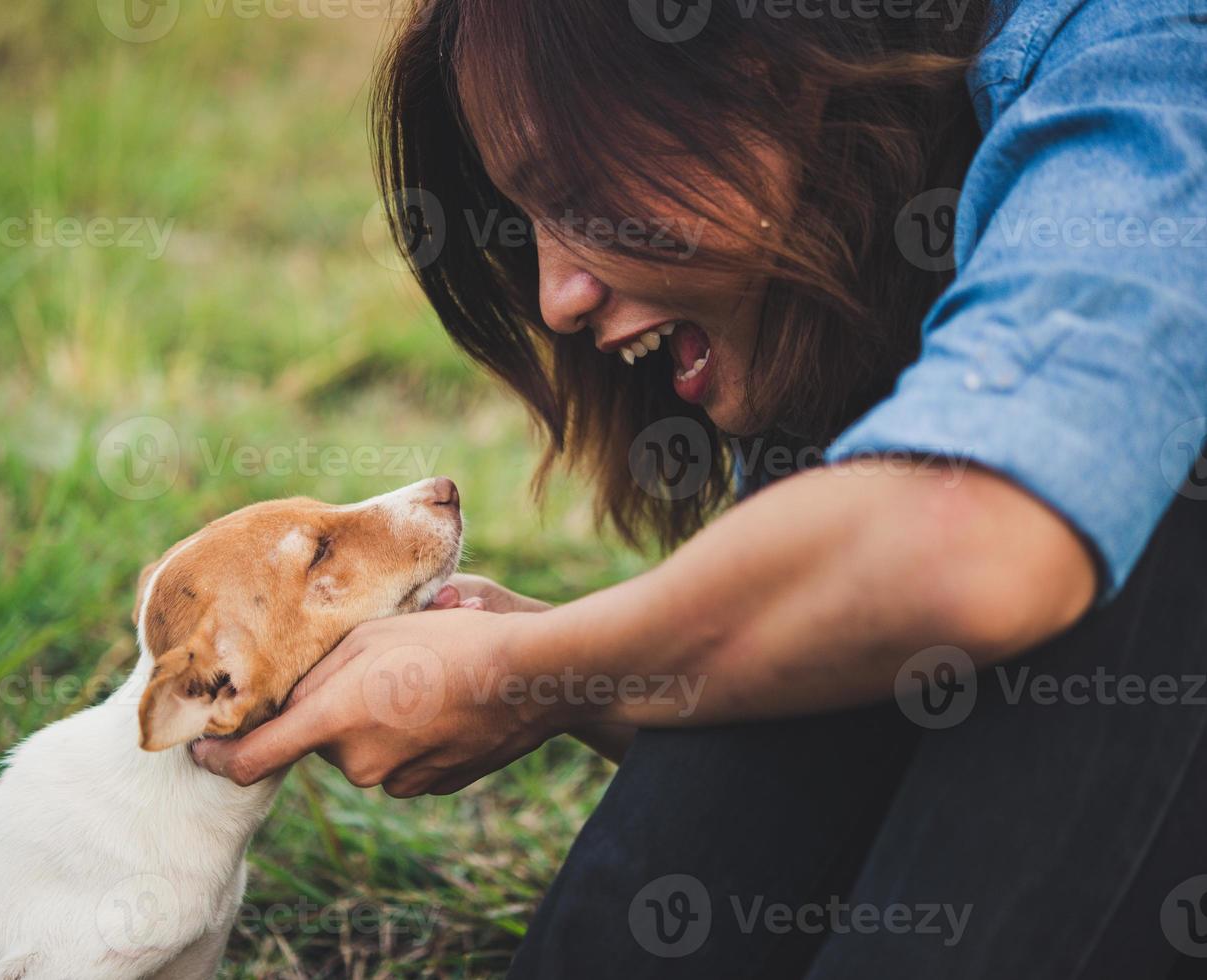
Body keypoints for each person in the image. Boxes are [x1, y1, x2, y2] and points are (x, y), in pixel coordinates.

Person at [193, 0, 1207, 974]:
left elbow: (971, 548)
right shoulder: (850, 273)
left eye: (573, 192)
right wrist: (567, 672)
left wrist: (527, 670)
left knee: (1099, 483)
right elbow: (882, 727)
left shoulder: (1156, 59)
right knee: (838, 531)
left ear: (758, 66)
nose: (554, 298)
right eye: (526, 221)